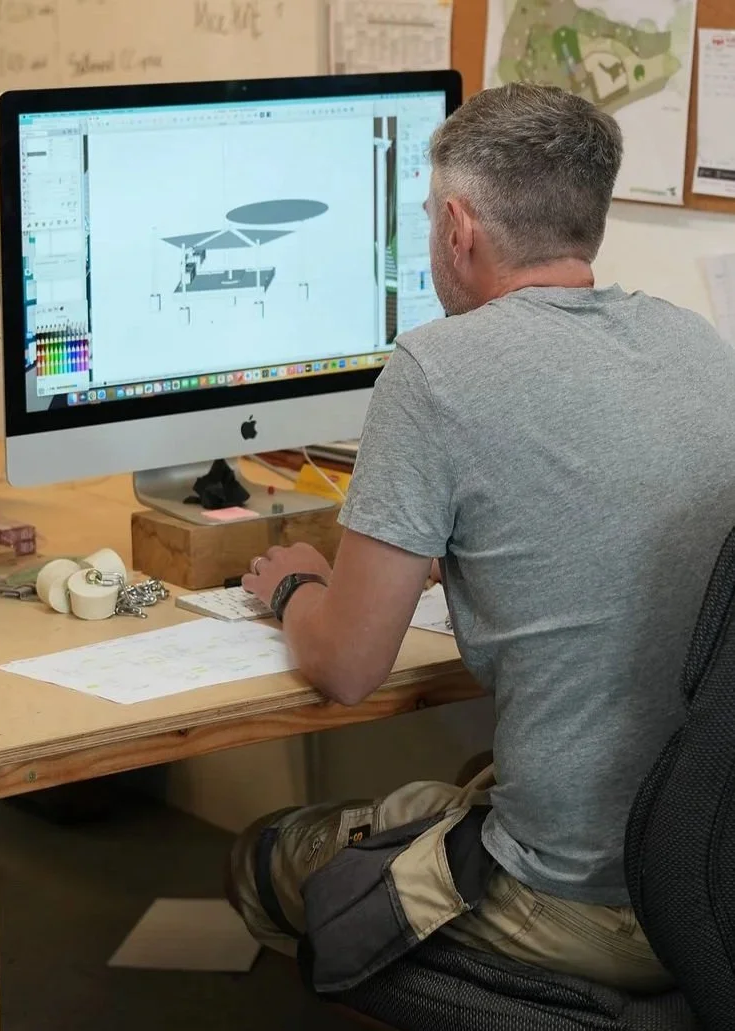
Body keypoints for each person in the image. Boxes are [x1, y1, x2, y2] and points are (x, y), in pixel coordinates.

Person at [226, 83, 735, 994]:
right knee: (467, 772)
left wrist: (296, 589)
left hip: (583, 906)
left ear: (458, 226)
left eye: (427, 219)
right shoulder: (698, 345)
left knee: (272, 854)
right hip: (711, 885)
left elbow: (348, 668)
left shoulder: (435, 369)